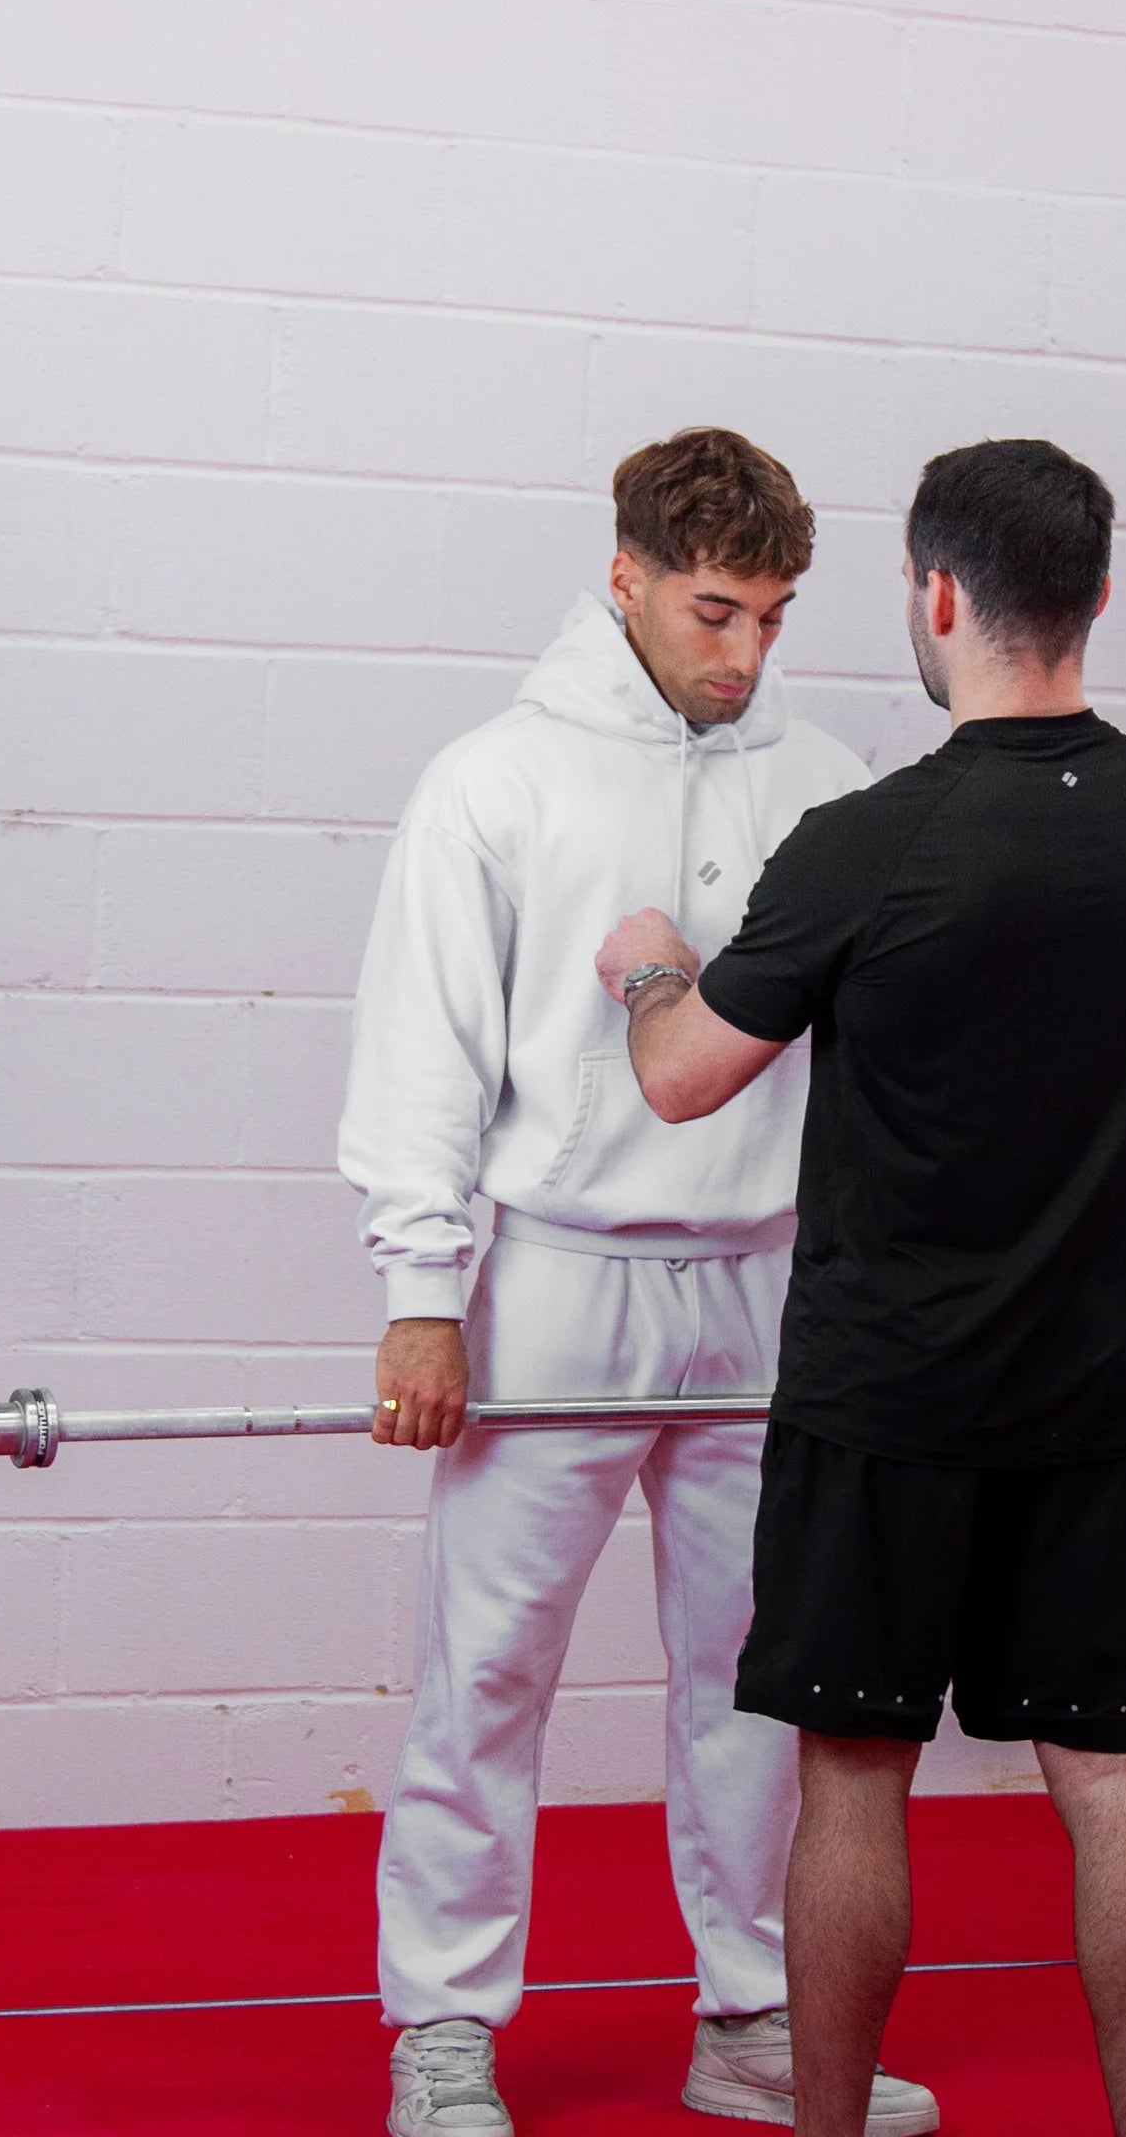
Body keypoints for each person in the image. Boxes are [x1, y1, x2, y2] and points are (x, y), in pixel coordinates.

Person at [596, 438, 1126, 2137]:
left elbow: (680, 1075)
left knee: (854, 1783)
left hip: (886, 1395)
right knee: (1112, 1788)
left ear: (938, 596)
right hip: (1093, 1392)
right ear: (1093, 595)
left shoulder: (868, 841)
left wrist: (648, 955)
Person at [340, 427, 941, 2137]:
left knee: (764, 1674)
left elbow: (881, 1065)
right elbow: (424, 1054)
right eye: (712, 609)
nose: (742, 650)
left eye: (772, 614)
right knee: (491, 1672)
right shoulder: (496, 782)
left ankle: (752, 2016)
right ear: (624, 581)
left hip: (767, 1288)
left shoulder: (831, 784)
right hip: (559, 1284)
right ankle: (443, 2032)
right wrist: (421, 1294)